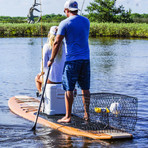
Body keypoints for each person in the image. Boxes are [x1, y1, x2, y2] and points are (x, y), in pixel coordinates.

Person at [48, 0, 90, 123]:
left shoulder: (64, 23)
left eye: (65, 11)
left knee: (69, 89)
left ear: (67, 10)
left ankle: (68, 117)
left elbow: (56, 42)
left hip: (72, 61)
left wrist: (51, 59)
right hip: (85, 60)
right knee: (85, 88)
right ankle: (87, 115)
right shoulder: (86, 21)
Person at [35, 26, 65, 95]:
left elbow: (44, 66)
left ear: (50, 35)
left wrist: (41, 73)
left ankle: (41, 93)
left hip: (50, 80)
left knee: (37, 78)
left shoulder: (47, 46)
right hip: (62, 80)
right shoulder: (64, 46)